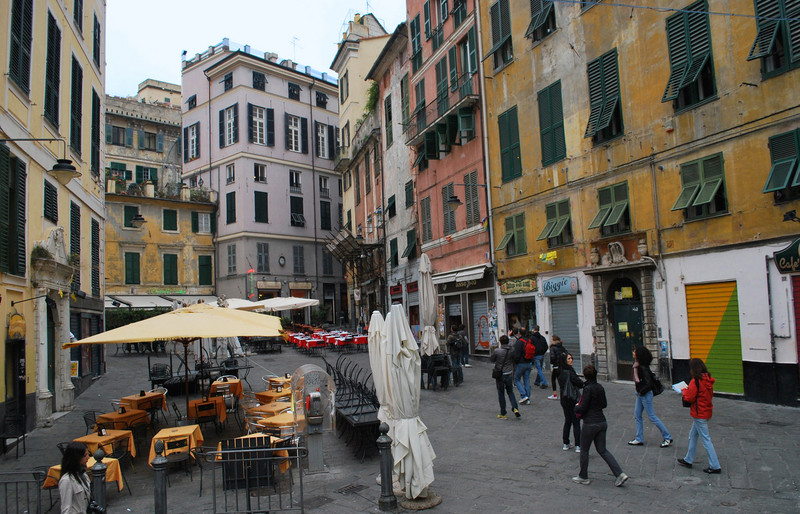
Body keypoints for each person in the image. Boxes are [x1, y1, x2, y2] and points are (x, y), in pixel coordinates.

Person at [573, 365, 629, 487]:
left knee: (584, 449)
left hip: (590, 423)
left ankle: (583, 476)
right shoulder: (600, 387)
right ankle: (619, 473)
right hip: (602, 421)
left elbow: (583, 407)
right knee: (602, 450)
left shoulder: (588, 389)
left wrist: (576, 406)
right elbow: (604, 404)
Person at [677, 358, 721, 474]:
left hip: (699, 413)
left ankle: (715, 465)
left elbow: (689, 398)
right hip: (706, 411)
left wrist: (684, 391)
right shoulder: (708, 380)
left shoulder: (695, 381)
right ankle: (688, 459)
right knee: (693, 435)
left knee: (706, 439)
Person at [628, 346, 672, 447]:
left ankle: (667, 437)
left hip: (645, 394)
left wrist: (640, 392)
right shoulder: (638, 366)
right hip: (640, 393)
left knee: (652, 416)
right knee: (637, 415)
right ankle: (639, 438)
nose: (633, 352)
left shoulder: (642, 368)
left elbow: (648, 384)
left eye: (635, 351)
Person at [557, 353, 584, 452]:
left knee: (568, 420)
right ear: (565, 361)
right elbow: (579, 383)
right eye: (569, 359)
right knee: (576, 422)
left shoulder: (559, 372)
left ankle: (566, 443)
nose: (571, 360)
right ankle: (578, 445)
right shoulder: (570, 372)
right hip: (572, 399)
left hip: (564, 399)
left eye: (571, 358)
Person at [491, 335, 520, 419]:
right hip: (509, 373)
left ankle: (503, 413)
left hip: (500, 374)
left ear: (500, 342)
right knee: (510, 391)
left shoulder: (497, 351)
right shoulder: (512, 350)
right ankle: (515, 408)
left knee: (501, 393)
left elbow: (492, 359)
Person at [59, 441, 91, 514]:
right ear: (76, 458)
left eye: (88, 454)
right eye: (85, 455)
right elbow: (66, 509)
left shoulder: (83, 474)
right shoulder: (66, 481)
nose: (88, 458)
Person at [548, 335, 567, 400]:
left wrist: (552, 362)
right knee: (561, 380)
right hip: (562, 366)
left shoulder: (552, 348)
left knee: (553, 379)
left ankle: (555, 394)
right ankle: (563, 394)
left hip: (556, 366)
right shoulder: (562, 347)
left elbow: (552, 357)